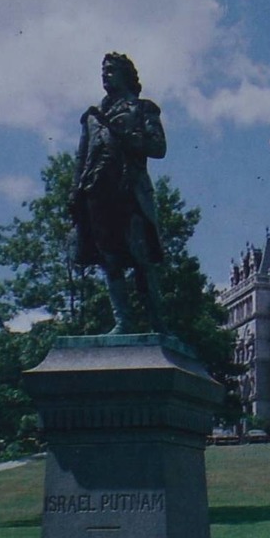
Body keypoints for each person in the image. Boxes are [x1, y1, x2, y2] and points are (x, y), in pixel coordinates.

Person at [70, 52, 168, 334]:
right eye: (103, 70)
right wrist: (75, 191)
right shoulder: (92, 117)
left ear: (127, 75)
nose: (105, 75)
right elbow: (82, 156)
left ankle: (157, 323)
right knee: (109, 260)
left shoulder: (143, 108)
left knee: (140, 257)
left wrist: (128, 137)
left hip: (130, 192)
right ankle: (122, 321)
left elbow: (158, 148)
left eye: (111, 70)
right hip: (97, 195)